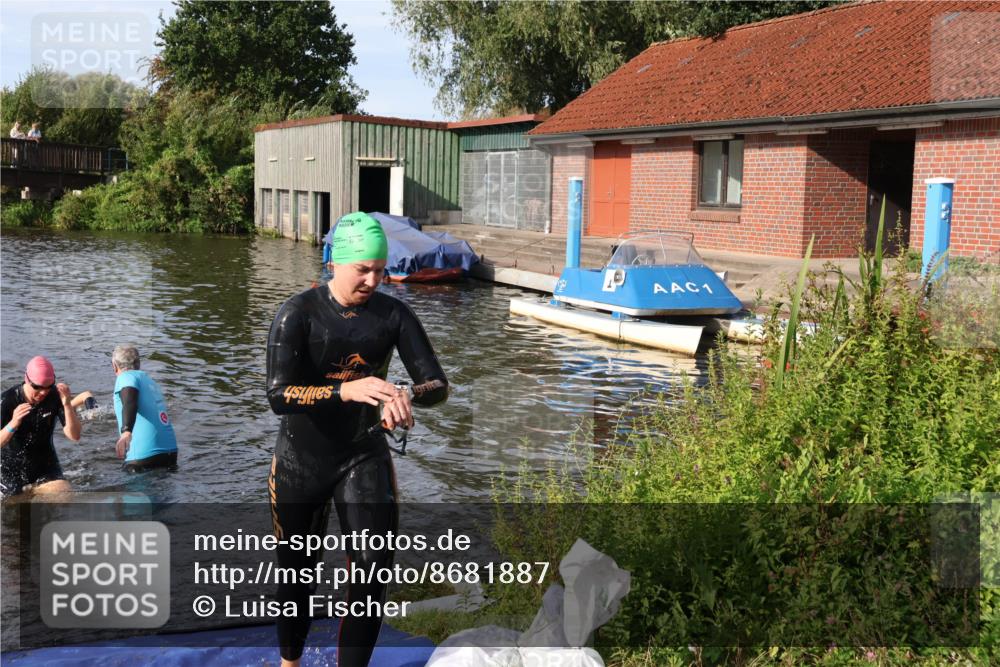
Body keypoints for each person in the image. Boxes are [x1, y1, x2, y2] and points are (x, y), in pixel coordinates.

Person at [266, 211, 448, 667]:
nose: (373, 279)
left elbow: (437, 384)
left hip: (363, 456)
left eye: (380, 270)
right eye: (362, 269)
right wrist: (346, 389)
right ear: (335, 263)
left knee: (370, 574)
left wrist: (406, 395)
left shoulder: (393, 315)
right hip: (299, 461)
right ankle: (290, 663)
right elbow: (278, 395)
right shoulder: (297, 313)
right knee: (296, 574)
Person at [0, 356, 82, 497]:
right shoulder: (8, 400)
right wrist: (13, 423)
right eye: (37, 387)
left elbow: (74, 436)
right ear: (27, 380)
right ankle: (28, 494)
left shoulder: (56, 396)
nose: (43, 392)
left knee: (65, 494)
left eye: (48, 387)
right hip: (10, 465)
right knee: (13, 502)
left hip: (44, 461)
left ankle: (33, 492)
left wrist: (67, 404)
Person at [111, 344, 178, 472]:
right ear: (139, 363)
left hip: (144, 456)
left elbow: (130, 401)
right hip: (170, 452)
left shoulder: (126, 377)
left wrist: (126, 431)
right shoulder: (149, 381)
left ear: (114, 366)